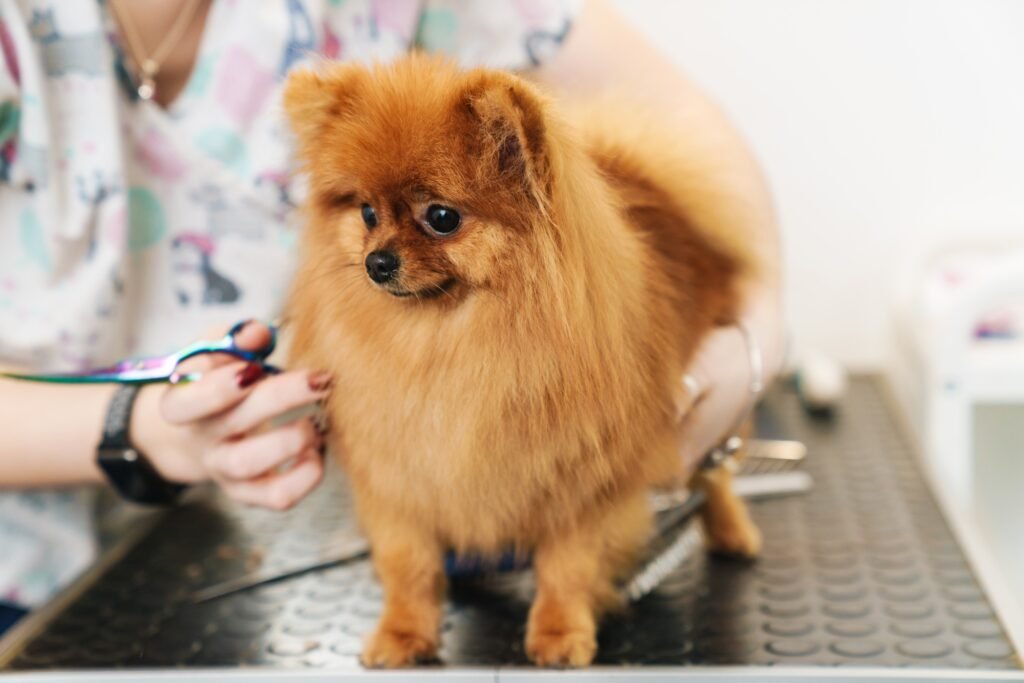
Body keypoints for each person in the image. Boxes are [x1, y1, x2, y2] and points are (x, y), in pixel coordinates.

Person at [0, 0, 783, 634]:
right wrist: (140, 429)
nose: (382, 252)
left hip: (215, 544)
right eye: (367, 214)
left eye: (440, 218)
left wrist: (760, 333)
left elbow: (679, 113)